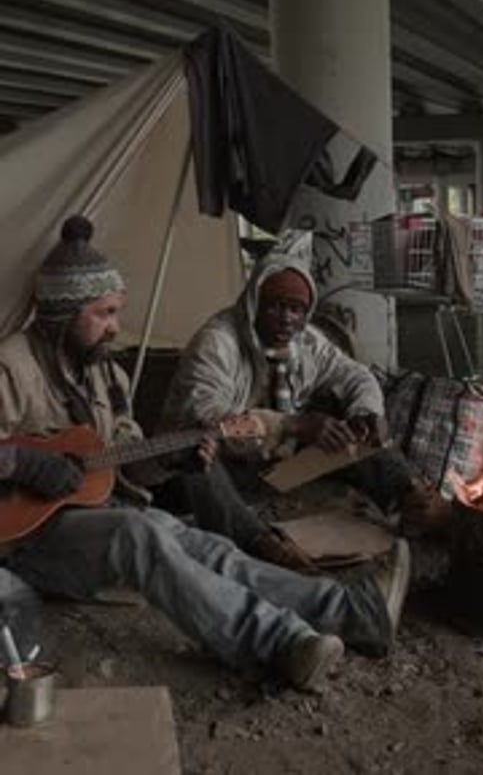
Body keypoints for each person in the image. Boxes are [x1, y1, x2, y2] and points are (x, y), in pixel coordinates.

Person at [0, 215, 409, 690]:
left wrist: (171, 458)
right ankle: (278, 644)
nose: (115, 328)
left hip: (93, 513)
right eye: (104, 313)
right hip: (22, 544)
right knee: (139, 534)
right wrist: (24, 462)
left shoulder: (104, 375)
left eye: (117, 312)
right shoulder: (13, 366)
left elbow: (126, 455)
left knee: (203, 544)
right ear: (63, 314)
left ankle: (351, 613)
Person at [161, 248, 422, 564]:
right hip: (229, 470)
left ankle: (413, 503)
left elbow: (355, 375)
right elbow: (205, 420)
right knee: (198, 461)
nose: (287, 318)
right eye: (276, 306)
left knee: (362, 434)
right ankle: (258, 543)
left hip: (277, 470)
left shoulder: (307, 341)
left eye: (297, 309)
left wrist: (364, 412)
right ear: (254, 303)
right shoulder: (217, 343)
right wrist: (294, 424)